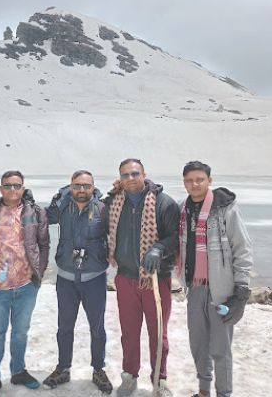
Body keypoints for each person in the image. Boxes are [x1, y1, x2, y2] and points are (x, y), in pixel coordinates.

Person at [104, 158, 180, 397]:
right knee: (129, 331)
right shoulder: (115, 203)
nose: (130, 179)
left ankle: (160, 380)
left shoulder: (163, 203)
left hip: (156, 280)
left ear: (144, 174)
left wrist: (159, 248)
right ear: (120, 178)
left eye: (134, 174)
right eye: (125, 175)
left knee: (158, 333)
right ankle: (129, 376)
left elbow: (175, 236)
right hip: (125, 278)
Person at [177, 161, 253, 397]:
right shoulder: (183, 209)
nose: (195, 184)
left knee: (220, 348)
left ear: (209, 181)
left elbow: (242, 249)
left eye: (199, 179)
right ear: (184, 183)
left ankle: (224, 393)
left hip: (222, 290)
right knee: (198, 344)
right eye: (189, 180)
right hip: (195, 288)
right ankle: (203, 391)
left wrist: (241, 292)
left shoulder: (226, 209)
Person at [0, 170, 50, 397]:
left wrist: (39, 272)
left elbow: (43, 244)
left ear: (23, 188)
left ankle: (18, 371)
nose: (12, 190)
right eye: (7, 185)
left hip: (26, 286)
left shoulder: (36, 213)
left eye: (17, 185)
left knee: (20, 332)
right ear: (0, 188)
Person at [42, 170, 113, 393]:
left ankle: (98, 369)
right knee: (64, 327)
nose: (82, 190)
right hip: (65, 278)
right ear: (70, 186)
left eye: (86, 185)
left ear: (93, 187)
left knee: (97, 328)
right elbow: (40, 217)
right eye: (77, 185)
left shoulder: (104, 209)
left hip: (94, 277)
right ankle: (63, 368)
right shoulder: (61, 208)